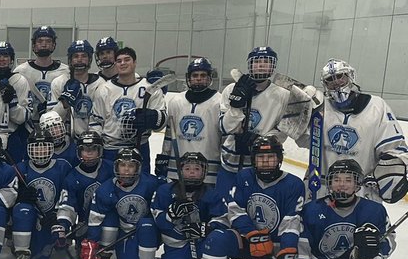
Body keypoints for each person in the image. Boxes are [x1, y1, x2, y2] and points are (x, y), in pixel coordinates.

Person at [190, 137, 303, 259]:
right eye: (260, 158)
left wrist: (288, 249)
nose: (265, 163)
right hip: (247, 239)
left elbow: (292, 220)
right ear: (253, 159)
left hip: (272, 248)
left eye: (270, 157)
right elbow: (235, 209)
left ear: (280, 159)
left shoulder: (294, 184)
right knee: (217, 238)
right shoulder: (244, 177)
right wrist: (252, 233)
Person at [298, 57, 408, 204]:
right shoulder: (319, 108)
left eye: (339, 76)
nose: (336, 82)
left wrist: (389, 172)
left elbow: (395, 149)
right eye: (330, 79)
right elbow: (301, 138)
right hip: (322, 190)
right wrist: (298, 108)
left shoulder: (377, 107)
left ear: (350, 76)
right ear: (325, 84)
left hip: (362, 193)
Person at [219, 46, 312, 192]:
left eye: (266, 61)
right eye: (256, 61)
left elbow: (284, 128)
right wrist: (236, 107)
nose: (261, 64)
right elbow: (225, 128)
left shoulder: (284, 95)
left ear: (273, 66)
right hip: (229, 161)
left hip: (264, 165)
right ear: (249, 64)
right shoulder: (231, 89)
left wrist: (261, 140)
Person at [146, 151, 229, 259]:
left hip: (202, 243)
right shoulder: (165, 191)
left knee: (217, 247)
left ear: (204, 172)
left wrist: (206, 228)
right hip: (176, 244)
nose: (192, 173)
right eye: (187, 169)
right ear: (180, 171)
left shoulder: (211, 194)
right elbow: (157, 218)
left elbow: (223, 219)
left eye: (196, 169)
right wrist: (170, 215)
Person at [83, 147, 158, 259]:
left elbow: (169, 191)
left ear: (138, 168)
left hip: (145, 231)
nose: (126, 169)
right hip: (124, 232)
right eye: (122, 165)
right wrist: (92, 242)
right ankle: (104, 256)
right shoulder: (106, 189)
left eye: (131, 166)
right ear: (116, 166)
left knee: (147, 224)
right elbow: (95, 219)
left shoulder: (151, 183)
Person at [88, 46, 167, 168]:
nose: (123, 63)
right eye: (119, 61)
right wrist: (97, 145)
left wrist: (151, 118)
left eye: (127, 59)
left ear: (135, 63)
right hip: (111, 149)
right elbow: (96, 121)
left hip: (140, 147)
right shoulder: (104, 89)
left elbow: (161, 122)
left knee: (141, 185)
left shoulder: (149, 88)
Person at [9, 131, 73, 259]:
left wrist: (58, 218)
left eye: (44, 147)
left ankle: (38, 241)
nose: (40, 151)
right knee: (22, 209)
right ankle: (21, 253)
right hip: (28, 217)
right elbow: (9, 196)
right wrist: (21, 196)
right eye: (36, 147)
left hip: (48, 219)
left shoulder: (63, 167)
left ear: (51, 148)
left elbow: (68, 197)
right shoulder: (20, 168)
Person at [157, 57, 222, 185]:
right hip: (177, 169)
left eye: (203, 75)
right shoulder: (176, 101)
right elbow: (170, 134)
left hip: (209, 171)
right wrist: (164, 155)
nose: (198, 78)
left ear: (209, 78)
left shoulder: (219, 101)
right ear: (189, 77)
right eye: (195, 75)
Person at [54, 131, 114, 258]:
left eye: (94, 149)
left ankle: (105, 256)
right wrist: (63, 226)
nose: (89, 153)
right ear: (79, 152)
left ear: (100, 151)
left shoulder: (111, 169)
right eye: (85, 149)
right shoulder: (72, 177)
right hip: (85, 223)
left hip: (109, 219)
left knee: (111, 222)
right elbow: (67, 205)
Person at [0, 40, 32, 162]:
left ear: (12, 60)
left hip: (13, 135)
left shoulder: (20, 81)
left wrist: (12, 102)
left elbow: (23, 117)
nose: (2, 59)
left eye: (5, 56)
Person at [14, 26, 68, 118]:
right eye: (40, 41)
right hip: (28, 126)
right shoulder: (20, 71)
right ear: (34, 45)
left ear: (54, 45)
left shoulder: (66, 71)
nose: (44, 44)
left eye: (48, 41)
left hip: (56, 126)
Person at [52, 39, 101, 138]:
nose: (79, 59)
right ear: (70, 60)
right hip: (65, 139)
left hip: (94, 140)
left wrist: (93, 137)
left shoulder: (101, 84)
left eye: (84, 56)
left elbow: (102, 118)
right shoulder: (59, 82)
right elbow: (51, 118)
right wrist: (65, 102)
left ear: (90, 59)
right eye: (76, 56)